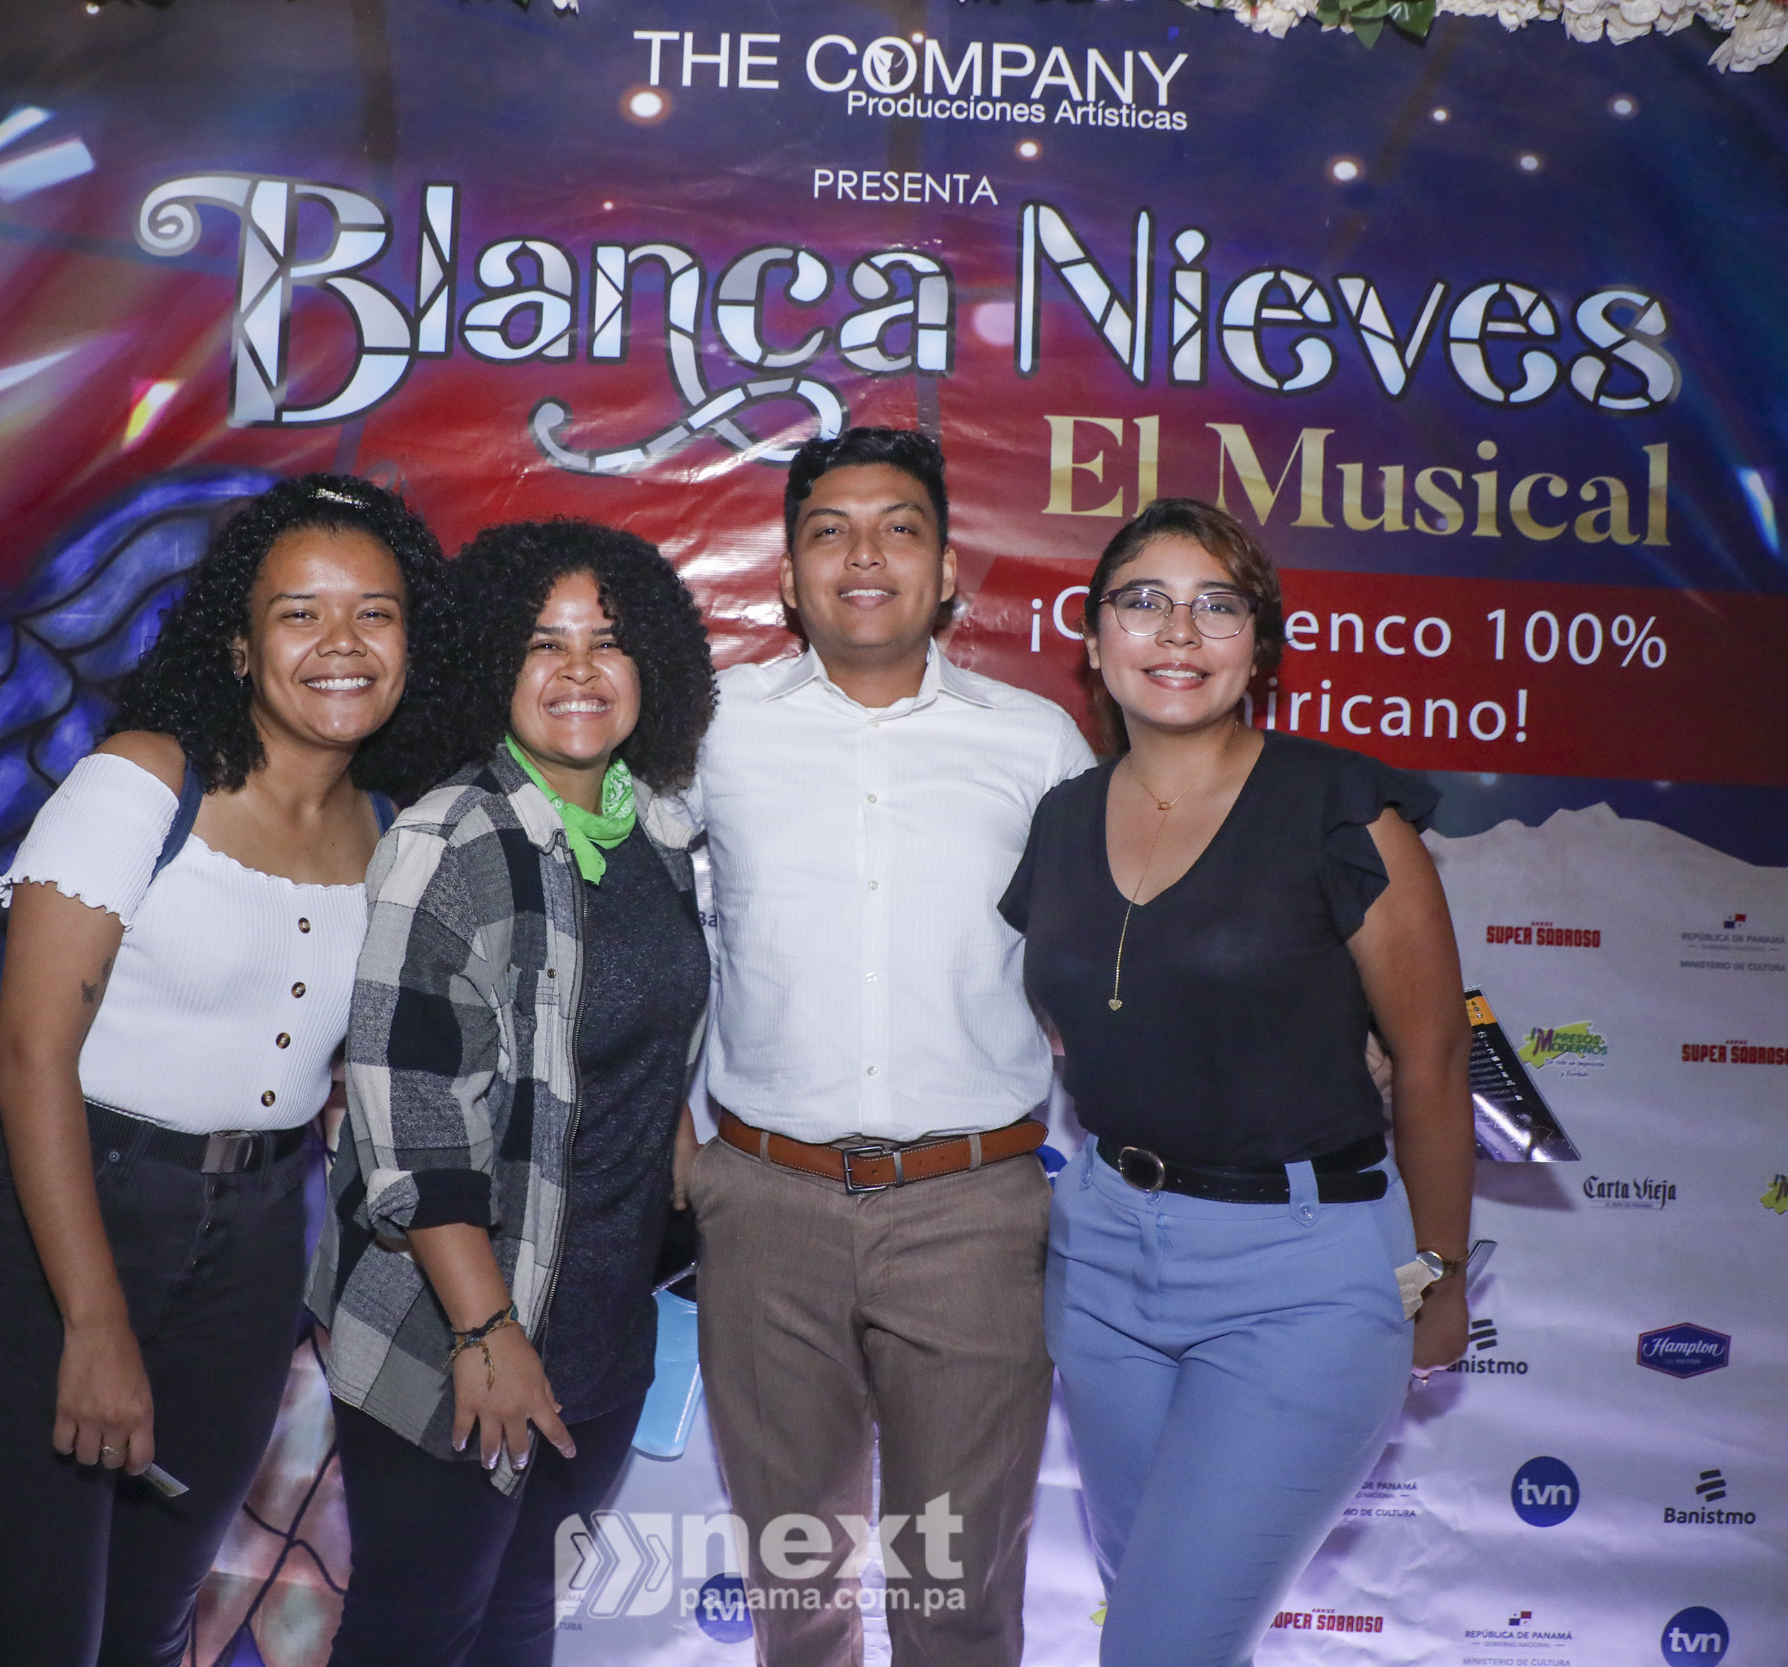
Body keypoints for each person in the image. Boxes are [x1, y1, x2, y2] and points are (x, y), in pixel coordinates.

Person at [0, 474, 448, 1667]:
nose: (341, 642)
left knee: (153, 1626)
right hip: (62, 1217)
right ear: (239, 641)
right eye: (300, 612)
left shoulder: (392, 828)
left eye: (374, 611)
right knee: (32, 1635)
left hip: (254, 1242)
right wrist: (93, 1318)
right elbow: (28, 1049)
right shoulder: (143, 778)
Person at [1001, 497, 1474, 1667]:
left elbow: (1432, 1055)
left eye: (1216, 604)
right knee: (1162, 1612)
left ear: (1258, 645)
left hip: (1300, 1279)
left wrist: (1439, 1272)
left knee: (1158, 1646)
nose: (1178, 631)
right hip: (1102, 1264)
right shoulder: (1060, 818)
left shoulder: (1339, 808)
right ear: (1094, 637)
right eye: (1143, 601)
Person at [684, 427, 1094, 1667]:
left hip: (973, 1212)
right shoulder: (709, 727)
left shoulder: (1037, 742)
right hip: (762, 1205)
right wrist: (673, 1147)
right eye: (830, 531)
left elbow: (1116, 956)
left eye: (898, 528)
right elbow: (632, 929)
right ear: (787, 576)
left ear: (948, 569)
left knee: (955, 1595)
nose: (864, 554)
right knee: (794, 1591)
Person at [311, 519, 717, 1667]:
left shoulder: (657, 836)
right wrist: (486, 1333)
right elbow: (412, 1116)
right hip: (457, 1328)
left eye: (607, 640)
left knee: (522, 1623)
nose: (579, 669)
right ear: (493, 661)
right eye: (544, 642)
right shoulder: (452, 837)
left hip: (604, 1330)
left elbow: (639, 1059)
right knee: (415, 1635)